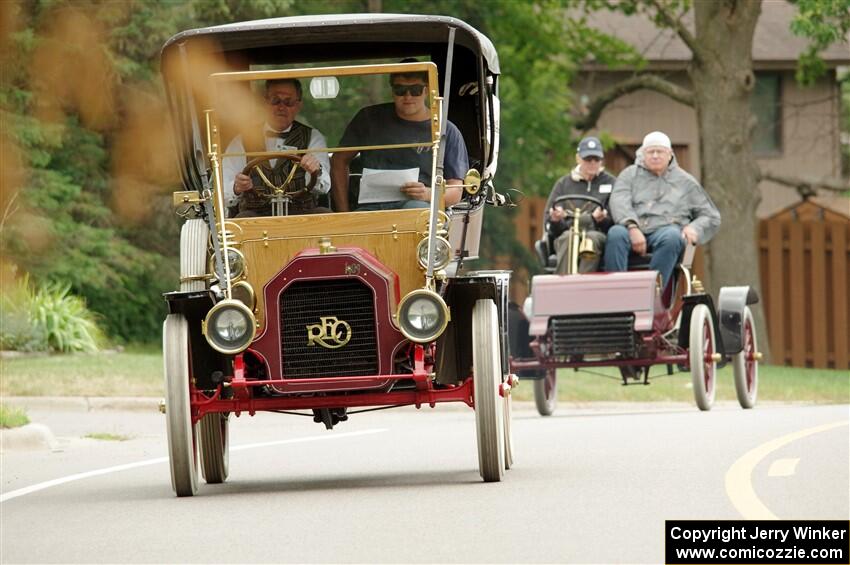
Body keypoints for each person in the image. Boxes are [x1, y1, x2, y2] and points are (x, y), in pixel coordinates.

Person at [330, 62, 469, 212]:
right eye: (400, 90)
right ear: (392, 91)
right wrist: (344, 214)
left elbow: (456, 190)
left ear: (427, 90)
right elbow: (338, 161)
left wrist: (428, 194)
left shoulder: (445, 130)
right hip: (370, 208)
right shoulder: (368, 119)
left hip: (417, 206)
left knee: (416, 212)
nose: (408, 96)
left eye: (415, 90)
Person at [605, 131, 721, 288]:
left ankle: (654, 292)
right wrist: (632, 227)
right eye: (650, 151)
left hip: (665, 232)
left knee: (673, 236)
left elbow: (710, 216)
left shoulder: (685, 182)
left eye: (659, 151)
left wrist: (695, 228)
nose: (655, 155)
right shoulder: (629, 175)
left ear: (669, 154)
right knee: (615, 233)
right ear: (642, 154)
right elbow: (619, 202)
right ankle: (616, 291)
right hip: (632, 229)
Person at [221, 78, 331, 217]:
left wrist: (317, 170)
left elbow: (324, 187)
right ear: (265, 103)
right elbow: (222, 192)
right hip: (256, 216)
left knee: (324, 215)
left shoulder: (313, 137)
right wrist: (237, 187)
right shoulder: (242, 140)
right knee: (242, 220)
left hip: (302, 214)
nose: (281, 107)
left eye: (288, 102)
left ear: (298, 105)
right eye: (275, 100)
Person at [544, 136, 615, 273]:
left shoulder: (611, 182)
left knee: (591, 239)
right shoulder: (563, 184)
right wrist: (556, 219)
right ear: (578, 159)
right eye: (588, 159)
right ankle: (563, 285)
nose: (593, 163)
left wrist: (602, 219)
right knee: (567, 238)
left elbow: (615, 218)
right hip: (567, 233)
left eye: (597, 159)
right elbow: (549, 220)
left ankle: (582, 286)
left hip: (598, 234)